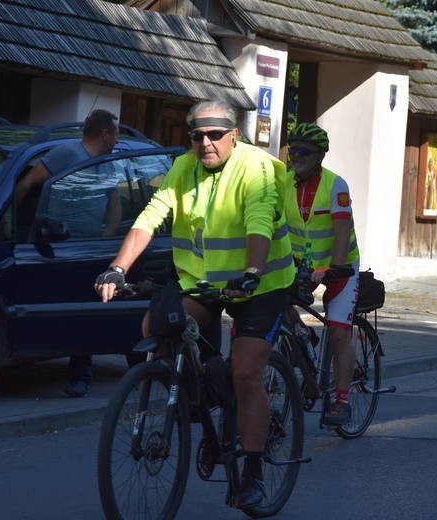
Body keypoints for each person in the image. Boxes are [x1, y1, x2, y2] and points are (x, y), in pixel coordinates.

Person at [94, 100, 295, 508]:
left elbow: (259, 222)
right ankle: (197, 396)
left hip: (261, 283)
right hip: (206, 280)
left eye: (215, 135)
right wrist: (117, 268)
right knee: (156, 326)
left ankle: (253, 476)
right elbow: (152, 215)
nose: (206, 143)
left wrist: (252, 272)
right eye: (197, 136)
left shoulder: (253, 168)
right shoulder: (184, 167)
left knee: (245, 372)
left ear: (233, 136)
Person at [15, 108, 120, 398]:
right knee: (59, 307)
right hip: (56, 246)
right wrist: (11, 222)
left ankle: (80, 376)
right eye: (116, 132)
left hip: (91, 248)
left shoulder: (108, 163)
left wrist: (108, 237)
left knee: (85, 312)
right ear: (105, 134)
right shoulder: (66, 154)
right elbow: (28, 182)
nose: (118, 139)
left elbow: (114, 204)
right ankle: (34, 361)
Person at [284, 122, 360, 426]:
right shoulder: (283, 181)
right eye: (293, 149)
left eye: (305, 151)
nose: (297, 155)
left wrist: (333, 267)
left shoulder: (335, 185)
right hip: (298, 266)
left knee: (340, 332)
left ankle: (341, 400)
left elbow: (341, 231)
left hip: (339, 267)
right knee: (274, 303)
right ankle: (303, 334)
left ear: (320, 155)